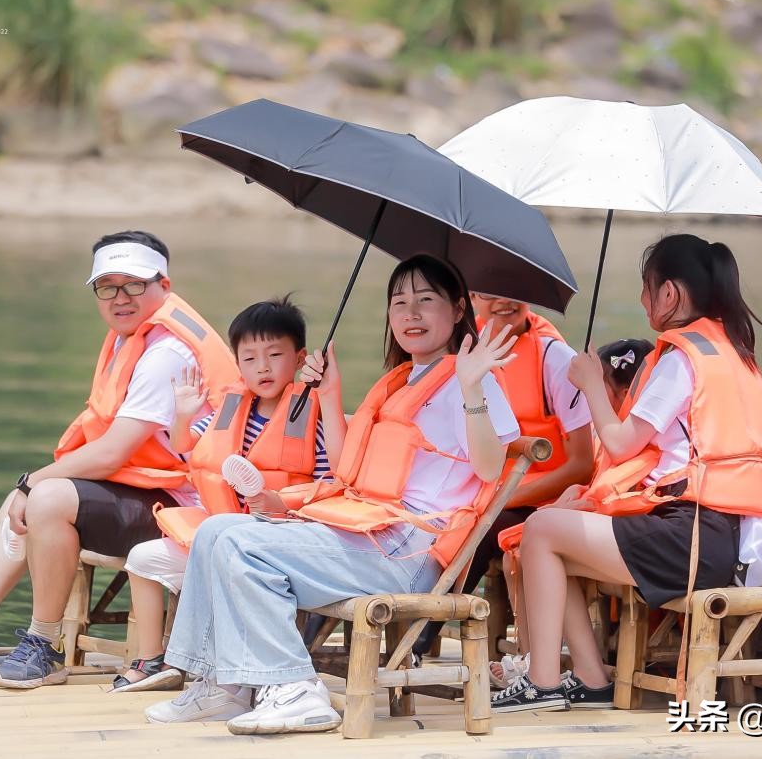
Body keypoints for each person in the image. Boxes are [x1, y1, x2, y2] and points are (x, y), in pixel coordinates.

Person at [143, 254, 520, 735]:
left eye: (426, 301)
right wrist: (328, 392)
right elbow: (346, 471)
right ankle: (225, 684)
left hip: (411, 548)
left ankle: (296, 689)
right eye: (399, 303)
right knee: (217, 532)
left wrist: (470, 386)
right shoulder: (400, 380)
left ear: (459, 307)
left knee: (242, 545)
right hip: (369, 532)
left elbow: (490, 467)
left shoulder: (475, 378)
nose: (411, 314)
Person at [0, 231, 238, 690]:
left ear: (163, 286)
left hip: (190, 512)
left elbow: (114, 450)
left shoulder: (166, 353)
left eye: (133, 284)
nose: (120, 298)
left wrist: (31, 483)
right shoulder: (130, 337)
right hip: (153, 493)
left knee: (44, 495)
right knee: (30, 492)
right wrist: (28, 484)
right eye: (107, 286)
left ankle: (44, 645)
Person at [491, 233, 762, 713]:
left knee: (543, 527)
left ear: (669, 294)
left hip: (705, 539)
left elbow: (618, 441)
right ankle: (590, 678)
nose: (643, 300)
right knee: (552, 540)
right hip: (740, 539)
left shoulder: (681, 360)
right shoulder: (732, 351)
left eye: (646, 288)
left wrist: (592, 383)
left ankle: (542, 680)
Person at [113, 296, 338, 692]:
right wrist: (183, 414)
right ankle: (152, 660)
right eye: (249, 358)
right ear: (237, 363)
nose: (262, 367)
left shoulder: (313, 415)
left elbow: (327, 484)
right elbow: (187, 448)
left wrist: (279, 502)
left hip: (277, 538)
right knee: (142, 558)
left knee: (231, 558)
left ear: (300, 357)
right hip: (220, 533)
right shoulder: (232, 409)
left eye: (274, 355)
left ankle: (237, 669)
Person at [412, 292, 594, 657]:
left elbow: (581, 464)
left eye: (514, 292)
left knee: (479, 530)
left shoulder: (554, 358)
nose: (505, 302)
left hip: (542, 497)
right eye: (490, 294)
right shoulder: (460, 346)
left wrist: (504, 499)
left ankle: (418, 638)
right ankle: (404, 618)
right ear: (472, 297)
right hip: (479, 487)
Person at [491, 337, 653, 688]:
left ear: (628, 396)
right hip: (615, 523)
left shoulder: (637, 432)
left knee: (537, 539)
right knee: (522, 545)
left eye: (606, 392)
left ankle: (540, 670)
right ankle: (538, 658)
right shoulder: (618, 431)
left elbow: (631, 492)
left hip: (635, 535)